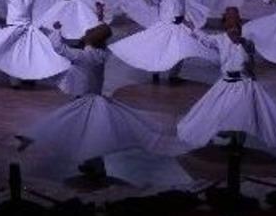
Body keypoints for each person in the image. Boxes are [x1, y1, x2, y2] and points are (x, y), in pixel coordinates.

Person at [17, 22, 169, 179]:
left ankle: (33, 137)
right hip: (94, 98)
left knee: (63, 122)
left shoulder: (85, 56)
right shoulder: (100, 54)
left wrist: (57, 30)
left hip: (85, 100)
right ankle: (92, 165)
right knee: (88, 133)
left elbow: (58, 48)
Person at [176, 15, 276, 148]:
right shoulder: (219, 40)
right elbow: (204, 39)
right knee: (221, 112)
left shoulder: (247, 43)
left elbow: (250, 64)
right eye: (231, 27)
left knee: (242, 113)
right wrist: (190, 27)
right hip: (226, 84)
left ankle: (237, 144)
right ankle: (228, 135)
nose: (234, 30)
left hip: (244, 84)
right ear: (226, 28)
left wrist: (250, 66)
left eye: (237, 27)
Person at [109, 0, 217, 82]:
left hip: (180, 26)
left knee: (181, 51)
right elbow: (152, 2)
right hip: (166, 26)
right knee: (161, 49)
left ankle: (173, 76)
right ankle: (156, 72)